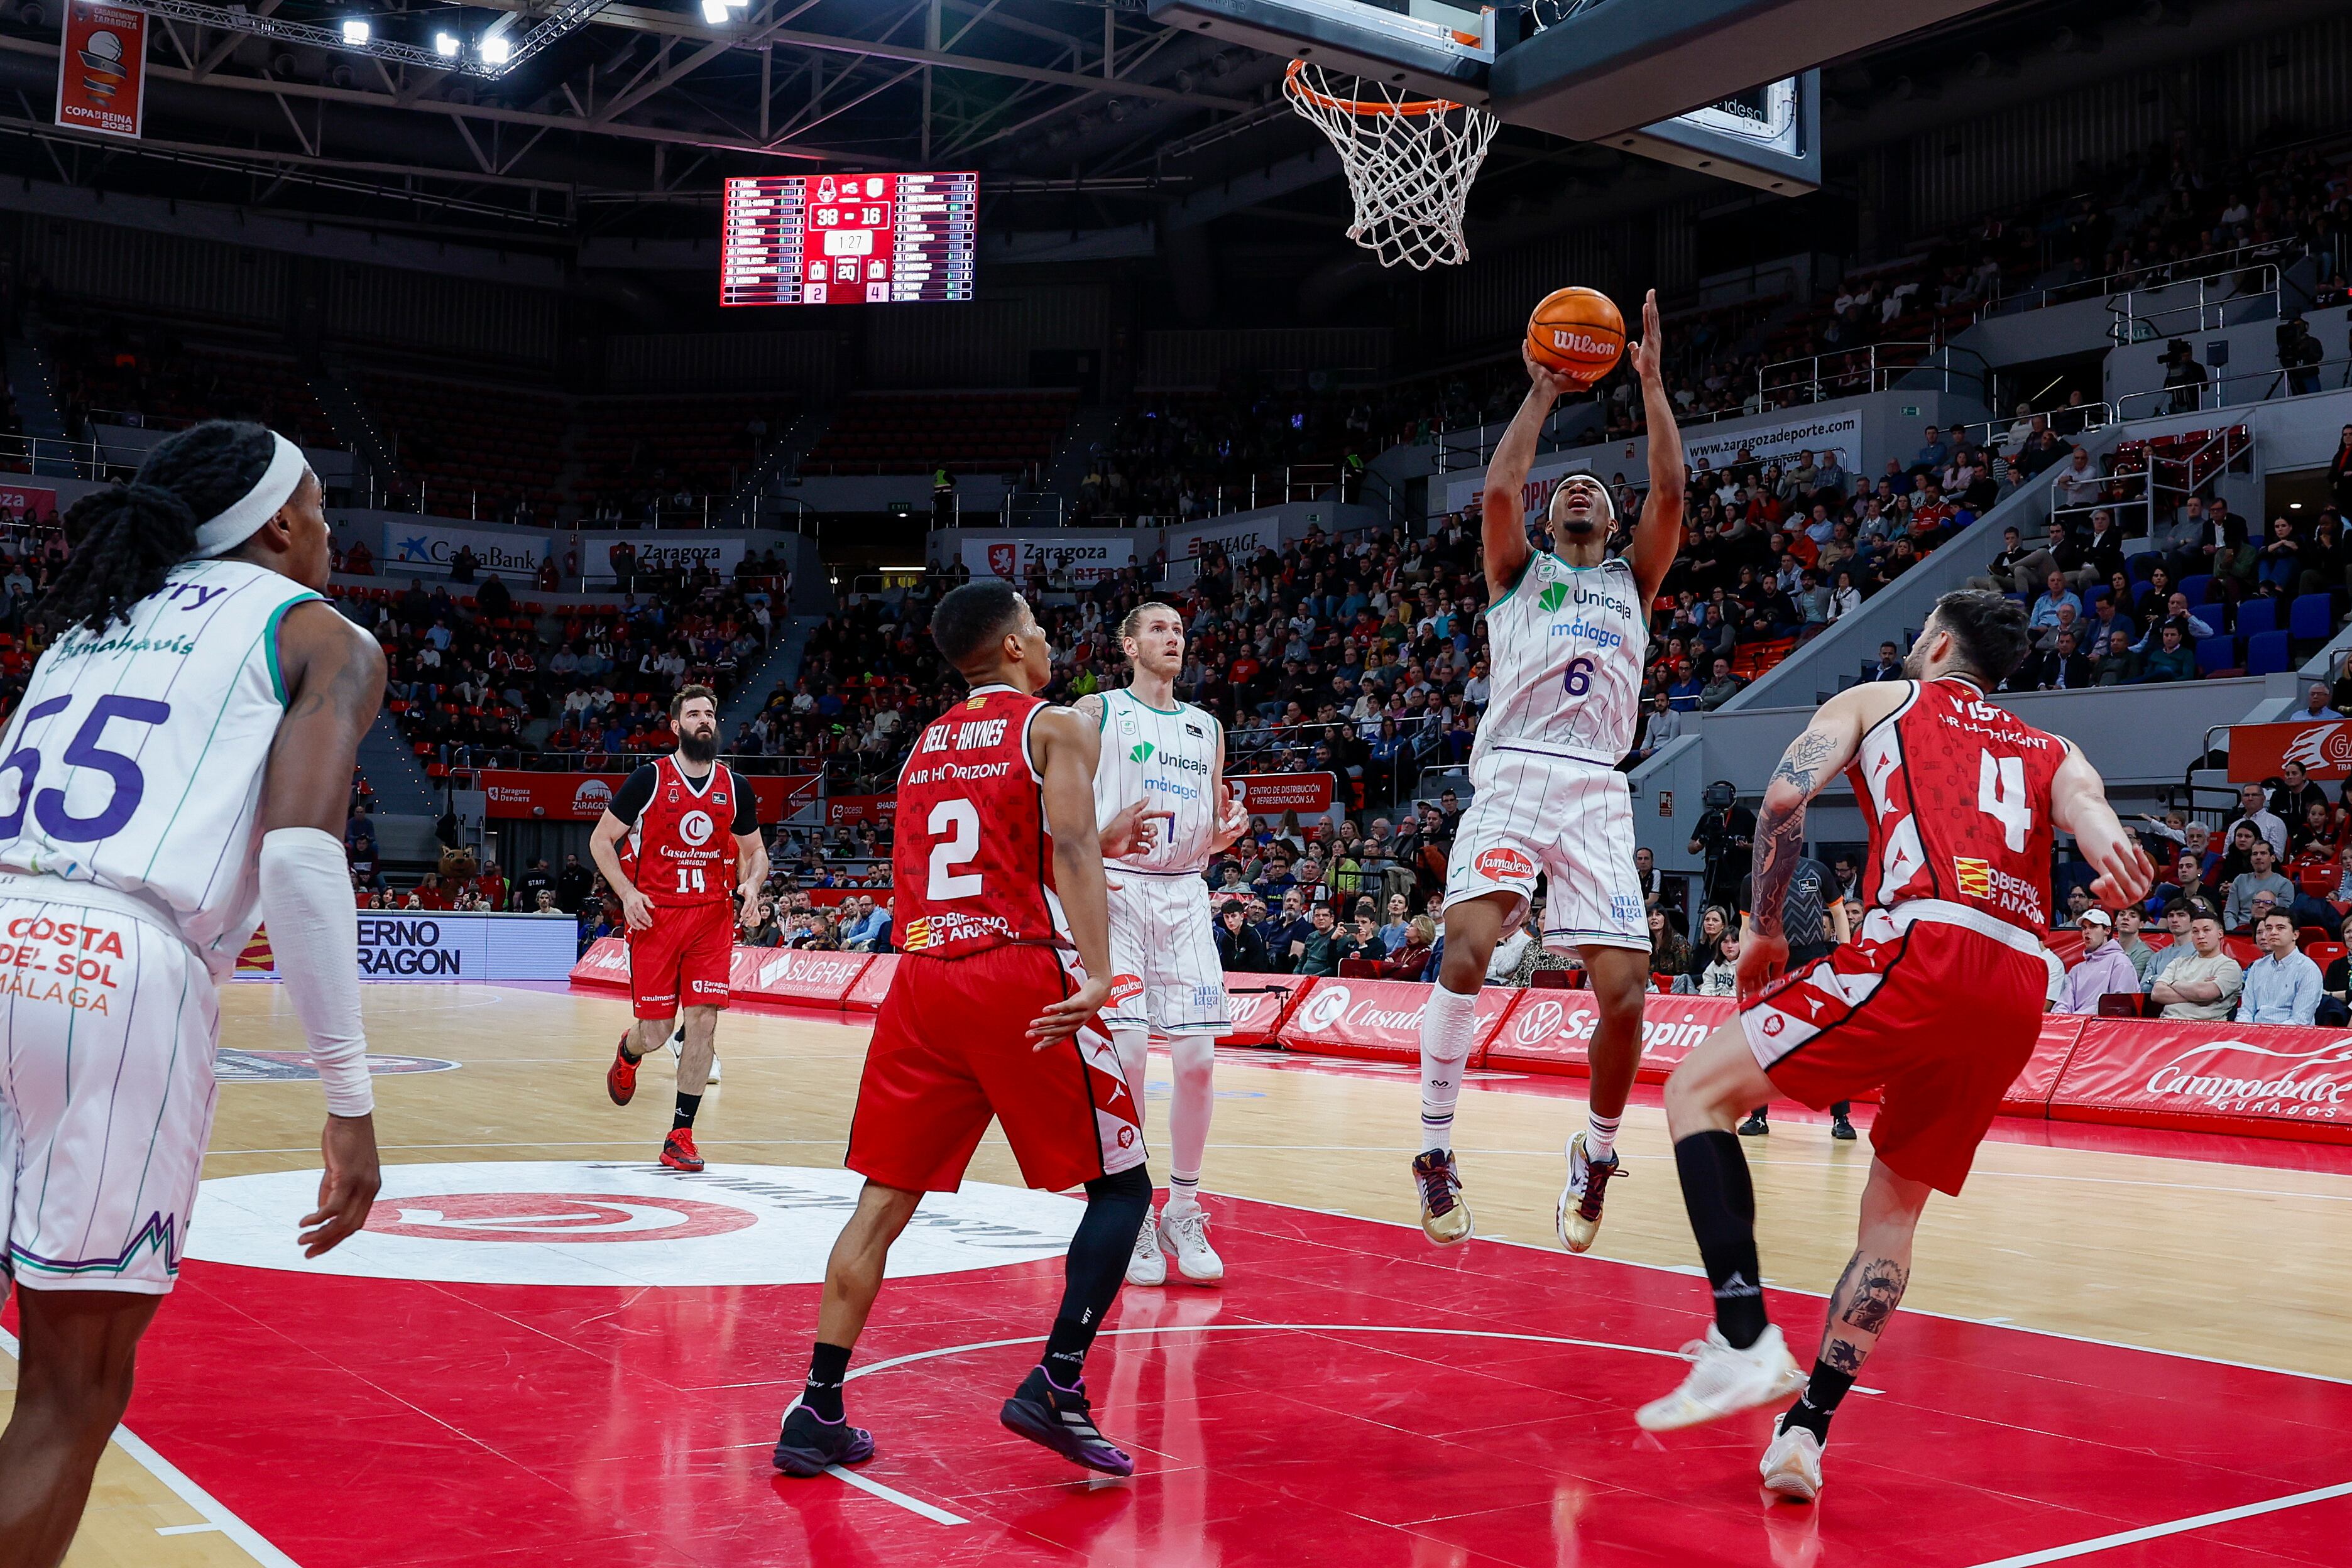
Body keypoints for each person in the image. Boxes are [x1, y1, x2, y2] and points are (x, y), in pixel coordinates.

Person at [1634, 590, 2152, 1507]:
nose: (1911, 646)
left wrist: (1762, 928)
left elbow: (1784, 799)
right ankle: (1804, 1434)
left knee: (1693, 1094)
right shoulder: (2052, 749)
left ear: (1939, 643)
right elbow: (2091, 817)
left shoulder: (1880, 700)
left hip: (1926, 945)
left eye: (1919, 636)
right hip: (2016, 988)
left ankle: (1743, 1339)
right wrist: (2112, 845)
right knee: (1891, 1217)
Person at [0, 421, 385, 1562]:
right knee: (70, 1391)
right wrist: (348, 1097)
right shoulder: (320, 634)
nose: (327, 527)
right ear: (278, 521)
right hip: (115, 969)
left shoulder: (91, 622)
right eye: (318, 505)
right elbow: (303, 861)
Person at [773, 581, 1156, 1481]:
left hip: (919, 984)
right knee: (1122, 1189)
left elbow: (989, 850)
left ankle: (815, 1408)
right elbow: (1065, 850)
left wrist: (1097, 837)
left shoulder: (920, 747)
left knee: (880, 1205)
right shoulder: (1056, 725)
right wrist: (1096, 970)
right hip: (1011, 973)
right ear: (1014, 649)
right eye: (1038, 627)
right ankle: (1058, 1385)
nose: (1049, 640)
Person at [1411, 290, 1685, 1257]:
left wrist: (1649, 383)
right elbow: (1497, 494)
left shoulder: (1631, 582)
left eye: (1595, 495)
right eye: (1567, 490)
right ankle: (1434, 1148)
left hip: (1597, 788)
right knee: (1463, 954)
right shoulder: (1516, 573)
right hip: (1516, 774)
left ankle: (1598, 1154)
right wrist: (1538, 395)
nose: (1579, 494)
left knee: (1624, 993)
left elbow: (1670, 495)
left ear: (1612, 525)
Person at [1075, 602, 1251, 1290]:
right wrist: (1102, 834)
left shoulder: (1207, 726)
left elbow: (1210, 819)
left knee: (1199, 1062)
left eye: (1179, 630)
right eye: (1157, 629)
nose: (1172, 638)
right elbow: (1060, 814)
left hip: (1184, 894)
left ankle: (1183, 1207)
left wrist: (1224, 832)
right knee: (1126, 1055)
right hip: (1114, 890)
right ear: (1128, 645)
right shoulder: (1095, 714)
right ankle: (1135, 1211)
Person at [588, 685, 769, 1171]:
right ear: (676, 726)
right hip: (657, 918)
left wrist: (751, 885)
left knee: (703, 1023)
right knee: (656, 1031)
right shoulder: (648, 780)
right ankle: (629, 1053)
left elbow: (755, 853)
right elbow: (601, 840)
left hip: (712, 917)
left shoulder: (735, 786)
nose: (704, 720)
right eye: (694, 714)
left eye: (710, 713)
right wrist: (627, 893)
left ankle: (680, 1135)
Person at [1733, 849, 1854, 1140]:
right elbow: (1746, 927)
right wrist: (1747, 963)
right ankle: (1758, 1116)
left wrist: (1845, 953)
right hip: (1771, 965)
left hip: (1813, 962)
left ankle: (1842, 1119)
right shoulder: (1754, 879)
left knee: (1830, 1040)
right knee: (1763, 1039)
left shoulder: (1816, 870)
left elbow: (1838, 911)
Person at [2151, 908, 2244, 1020]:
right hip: (2167, 1023)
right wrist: (2197, 994)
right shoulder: (2178, 963)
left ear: (2220, 934)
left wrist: (2173, 984)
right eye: (2195, 931)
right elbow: (2157, 994)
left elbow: (2203, 993)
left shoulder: (2230, 966)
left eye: (2206, 930)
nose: (2201, 936)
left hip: (2205, 1029)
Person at [2237, 909, 2322, 1025]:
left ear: (2295, 935)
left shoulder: (2308, 969)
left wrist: (2267, 1035)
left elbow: (2300, 1021)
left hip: (2291, 1037)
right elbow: (2246, 1011)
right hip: (2254, 1034)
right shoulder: (2257, 966)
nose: (2273, 932)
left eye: (2280, 928)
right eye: (2269, 928)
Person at [2056, 908, 2136, 1013]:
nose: (2087, 932)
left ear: (2107, 931)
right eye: (2084, 928)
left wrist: (2080, 1019)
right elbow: (2063, 1005)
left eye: (2093, 927)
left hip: (2103, 1027)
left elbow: (2119, 1008)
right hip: (2075, 1026)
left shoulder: (2121, 963)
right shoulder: (2076, 970)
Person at [1215, 900, 1272, 972]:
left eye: (1234, 916)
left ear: (1242, 916)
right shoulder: (1225, 939)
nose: (1230, 920)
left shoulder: (1252, 936)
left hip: (1253, 979)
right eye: (1227, 917)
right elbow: (1225, 966)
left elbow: (1258, 966)